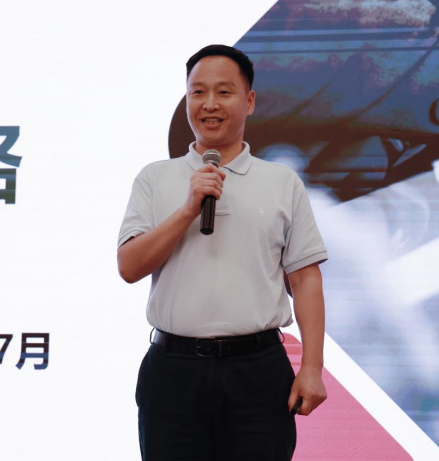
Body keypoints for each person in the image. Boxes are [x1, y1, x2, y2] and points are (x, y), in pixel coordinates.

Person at [117, 44, 329, 461]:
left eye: (224, 92)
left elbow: (305, 280)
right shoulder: (154, 178)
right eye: (197, 92)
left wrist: (311, 368)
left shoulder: (282, 182)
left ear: (249, 102)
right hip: (173, 371)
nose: (209, 104)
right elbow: (129, 266)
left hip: (257, 370)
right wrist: (187, 209)